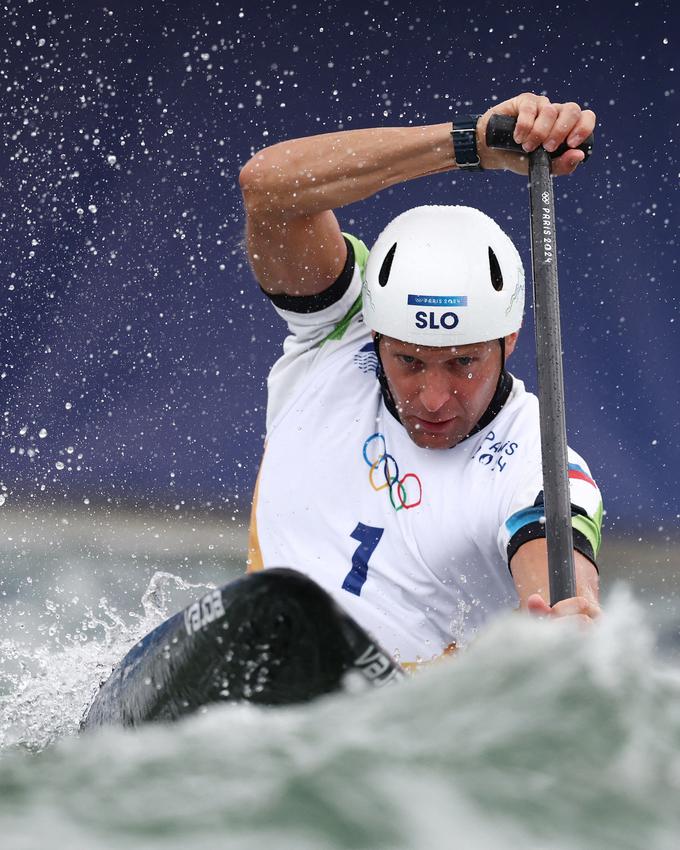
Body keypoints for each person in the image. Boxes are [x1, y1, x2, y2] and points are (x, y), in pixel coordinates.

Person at [239, 92, 602, 667]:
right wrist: (473, 144)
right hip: (256, 663)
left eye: (463, 363)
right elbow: (268, 188)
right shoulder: (338, 332)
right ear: (376, 335)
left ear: (508, 341)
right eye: (409, 361)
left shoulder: (540, 465)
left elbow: (561, 595)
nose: (433, 400)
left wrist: (564, 625)